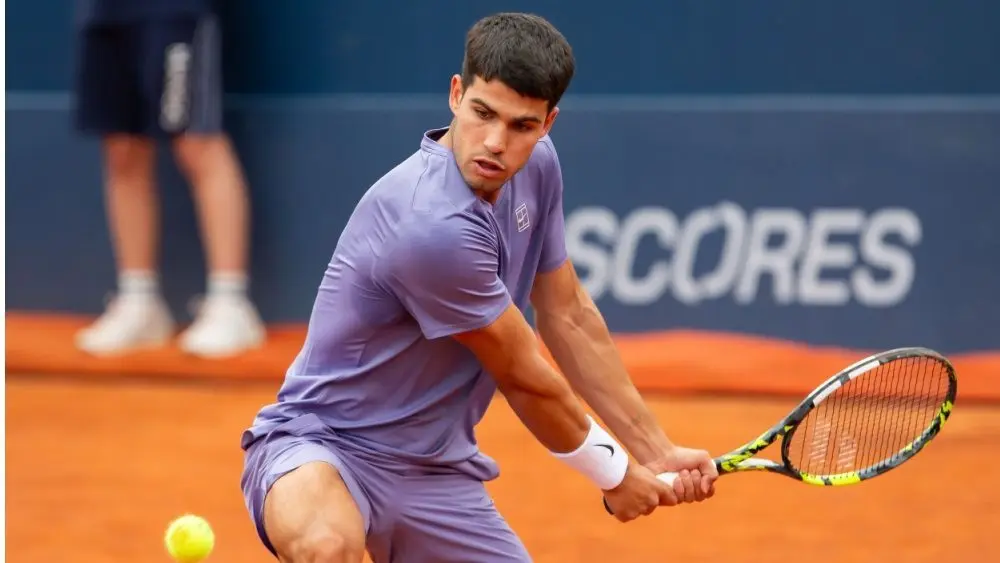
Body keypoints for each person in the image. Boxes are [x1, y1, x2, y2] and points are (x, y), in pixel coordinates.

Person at [240, 12, 718, 563]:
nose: (495, 143)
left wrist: (654, 453)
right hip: (323, 448)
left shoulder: (539, 168)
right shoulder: (431, 224)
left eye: (522, 126)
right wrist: (614, 473)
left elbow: (568, 315)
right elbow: (524, 374)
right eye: (482, 113)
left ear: (548, 124)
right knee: (327, 547)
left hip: (436, 475)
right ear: (455, 94)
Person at [71, 0, 264, 358]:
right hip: (102, 11)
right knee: (121, 147)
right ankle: (139, 300)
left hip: (174, 10)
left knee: (197, 141)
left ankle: (230, 302)